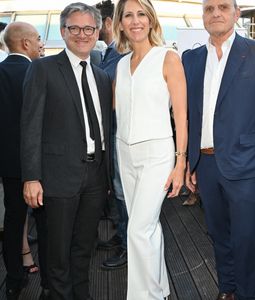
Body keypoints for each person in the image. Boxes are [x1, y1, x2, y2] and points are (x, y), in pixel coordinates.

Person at [183, 0, 255, 299]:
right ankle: (228, 289)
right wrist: (190, 162)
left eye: (223, 7)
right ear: (203, 16)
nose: (215, 13)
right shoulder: (191, 59)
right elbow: (190, 115)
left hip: (247, 163)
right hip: (206, 164)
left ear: (236, 14)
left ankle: (246, 294)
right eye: (209, 8)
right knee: (218, 235)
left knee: (246, 238)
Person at [20, 2, 112, 300]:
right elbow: (30, 126)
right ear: (63, 31)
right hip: (57, 179)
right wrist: (31, 177)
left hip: (96, 178)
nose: (82, 34)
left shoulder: (101, 77)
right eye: (75, 28)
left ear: (98, 31)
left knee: (84, 250)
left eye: (89, 28)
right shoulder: (42, 69)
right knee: (57, 255)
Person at [113, 0, 187, 298]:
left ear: (152, 20)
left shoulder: (168, 58)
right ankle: (160, 290)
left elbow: (181, 115)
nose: (135, 21)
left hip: (158, 153)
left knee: (137, 231)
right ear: (119, 23)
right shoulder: (120, 64)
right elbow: (116, 112)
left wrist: (180, 163)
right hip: (124, 152)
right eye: (128, 15)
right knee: (147, 227)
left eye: (141, 14)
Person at [0, 21, 49, 300]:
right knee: (45, 223)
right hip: (40, 163)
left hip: (9, 165)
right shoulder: (39, 72)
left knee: (14, 220)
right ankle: (49, 282)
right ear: (27, 43)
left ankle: (13, 279)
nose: (41, 44)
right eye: (38, 39)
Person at [95, 0, 128, 271]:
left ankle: (128, 245)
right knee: (118, 192)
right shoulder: (110, 54)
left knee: (122, 192)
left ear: (107, 24)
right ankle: (122, 234)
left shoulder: (122, 56)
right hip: (112, 134)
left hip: (122, 137)